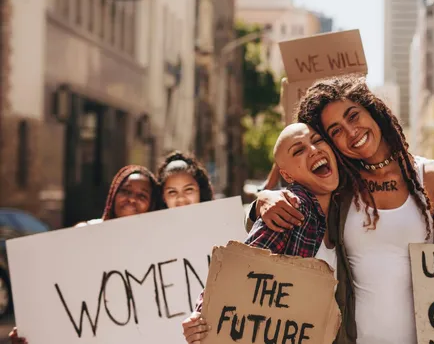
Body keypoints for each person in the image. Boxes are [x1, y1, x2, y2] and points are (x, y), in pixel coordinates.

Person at [248, 75, 434, 344]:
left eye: (353, 116)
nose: (351, 132)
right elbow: (287, 217)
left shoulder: (433, 177)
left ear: (371, 109)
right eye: (335, 131)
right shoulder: (339, 185)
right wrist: (262, 200)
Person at [181, 123, 343, 343]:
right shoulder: (290, 209)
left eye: (316, 140)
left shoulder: (344, 210)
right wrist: (201, 316)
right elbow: (240, 268)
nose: (313, 150)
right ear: (287, 174)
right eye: (299, 150)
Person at [10, 165, 161, 343]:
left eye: (142, 195)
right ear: (113, 195)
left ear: (151, 205)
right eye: (126, 191)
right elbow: (56, 290)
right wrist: (33, 329)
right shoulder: (83, 234)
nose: (132, 199)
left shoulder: (156, 249)